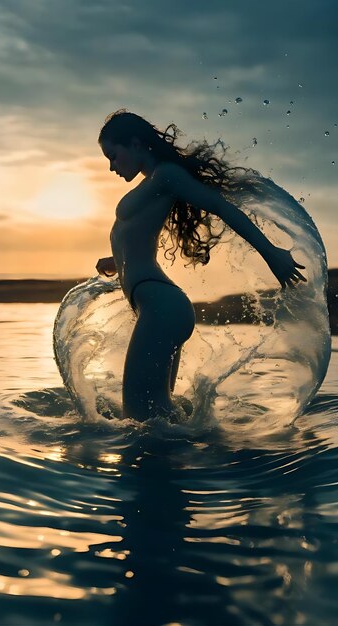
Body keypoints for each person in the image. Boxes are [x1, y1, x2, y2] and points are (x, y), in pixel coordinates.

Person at [96, 110, 306, 422]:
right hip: (160, 306)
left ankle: (219, 463)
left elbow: (221, 206)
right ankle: (198, 462)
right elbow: (142, 232)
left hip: (160, 308)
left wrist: (271, 253)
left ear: (136, 144)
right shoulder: (156, 182)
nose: (112, 167)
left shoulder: (166, 174)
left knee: (141, 421)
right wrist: (118, 260)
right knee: (161, 421)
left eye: (113, 155)